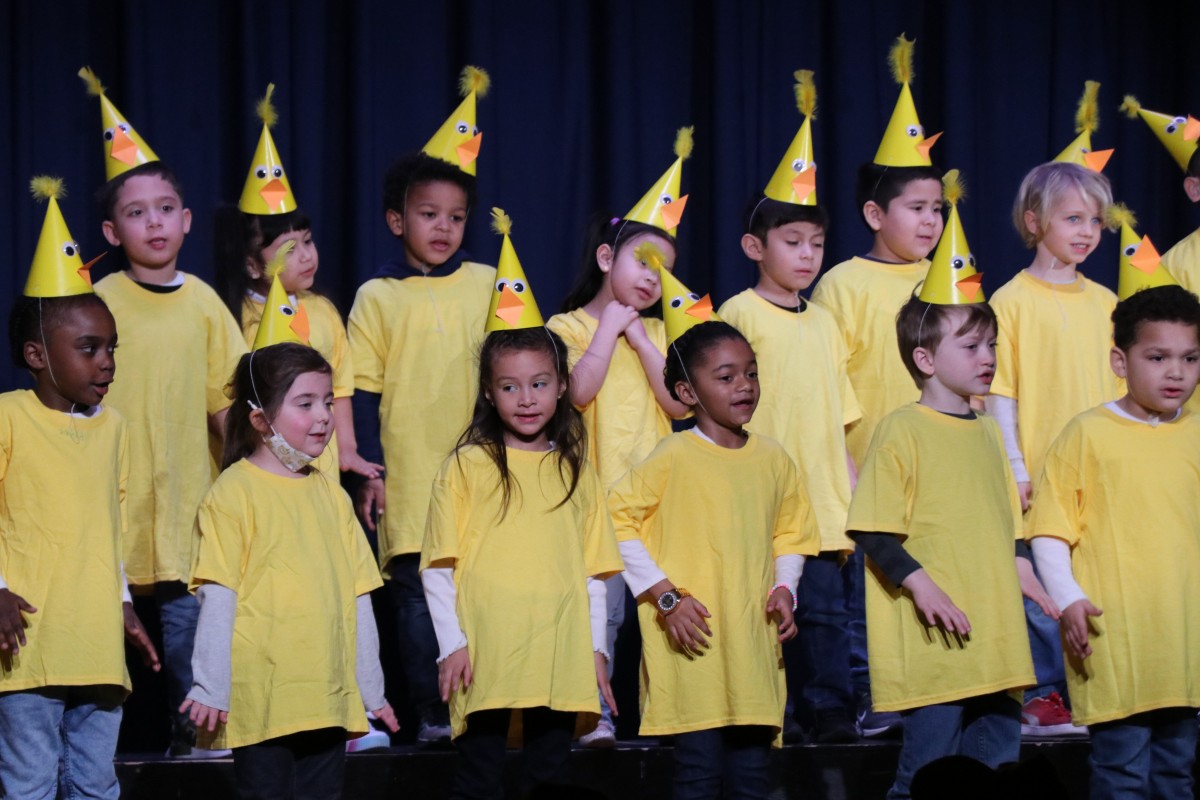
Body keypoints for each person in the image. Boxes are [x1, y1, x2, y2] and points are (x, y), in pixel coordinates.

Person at [846, 190, 1051, 799]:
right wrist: (923, 585)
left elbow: (1005, 523)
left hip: (995, 638)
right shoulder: (902, 429)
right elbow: (874, 528)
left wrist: (1028, 575)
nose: (987, 358)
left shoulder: (987, 430)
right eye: (971, 347)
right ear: (925, 358)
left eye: (991, 346)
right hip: (938, 641)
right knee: (927, 778)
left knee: (995, 774)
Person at [423, 217, 623, 796]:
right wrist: (453, 644)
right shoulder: (466, 466)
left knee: (548, 776)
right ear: (489, 392)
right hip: (487, 651)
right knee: (479, 776)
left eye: (539, 383)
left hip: (558, 652)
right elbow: (438, 567)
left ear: (561, 385)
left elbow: (594, 574)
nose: (526, 398)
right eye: (510, 387)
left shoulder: (576, 470)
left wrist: (596, 650)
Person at [81, 67, 248, 757]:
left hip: (185, 507)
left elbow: (227, 403)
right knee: (99, 639)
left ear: (186, 219)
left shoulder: (204, 302)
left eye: (165, 208)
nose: (153, 221)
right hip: (108, 505)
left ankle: (199, 747)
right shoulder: (97, 302)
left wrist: (250, 476)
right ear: (111, 229)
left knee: (188, 638)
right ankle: (89, 756)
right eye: (136, 212)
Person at [609, 293, 819, 799]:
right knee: (698, 776)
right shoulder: (673, 455)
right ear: (688, 391)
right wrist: (666, 597)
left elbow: (791, 531)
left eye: (751, 373)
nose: (744, 385)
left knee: (752, 779)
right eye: (726, 377)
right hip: (695, 649)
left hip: (751, 652)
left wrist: (785, 588)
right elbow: (614, 522)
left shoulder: (773, 458)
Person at [180, 338, 397, 799]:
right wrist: (210, 687)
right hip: (263, 699)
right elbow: (219, 595)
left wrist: (371, 687)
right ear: (260, 419)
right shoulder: (233, 494)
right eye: (306, 403)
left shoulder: (332, 495)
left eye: (328, 402)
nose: (324, 416)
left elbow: (358, 595)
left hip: (326, 695)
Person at [348, 66, 494, 745]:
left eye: (456, 217)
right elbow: (361, 389)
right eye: (429, 215)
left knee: (484, 589)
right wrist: (367, 469)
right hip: (410, 476)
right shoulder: (377, 296)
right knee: (414, 597)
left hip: (483, 469)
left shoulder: (489, 282)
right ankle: (432, 716)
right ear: (396, 220)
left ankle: (489, 706)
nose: (443, 227)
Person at [0, 179, 159, 799]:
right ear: (37, 354)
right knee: (31, 782)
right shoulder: (9, 417)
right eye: (88, 348)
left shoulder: (114, 428)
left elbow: (110, 524)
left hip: (94, 642)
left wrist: (121, 602)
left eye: (111, 348)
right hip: (30, 642)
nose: (106, 362)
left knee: (96, 782)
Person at [809, 34, 944, 737]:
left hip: (940, 462)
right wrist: (843, 458)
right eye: (916, 207)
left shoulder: (949, 278)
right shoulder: (843, 284)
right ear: (874, 215)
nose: (930, 221)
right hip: (870, 466)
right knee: (872, 588)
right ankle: (875, 698)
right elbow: (826, 376)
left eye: (937, 209)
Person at [719, 70, 860, 742]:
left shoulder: (826, 320)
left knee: (826, 615)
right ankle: (762, 710)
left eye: (816, 245)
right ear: (756, 247)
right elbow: (721, 403)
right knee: (761, 607)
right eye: (792, 243)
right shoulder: (738, 314)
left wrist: (852, 489)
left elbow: (838, 414)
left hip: (824, 502)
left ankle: (829, 711)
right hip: (762, 495)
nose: (807, 256)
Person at [546, 128, 693, 747]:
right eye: (643, 263)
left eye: (664, 272)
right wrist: (609, 328)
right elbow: (577, 393)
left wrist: (637, 335)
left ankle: (667, 717)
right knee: (599, 614)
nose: (653, 280)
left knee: (659, 615)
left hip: (656, 503)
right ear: (607, 259)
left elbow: (678, 403)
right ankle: (594, 712)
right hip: (598, 501)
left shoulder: (658, 335)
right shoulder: (566, 326)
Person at [1030, 285, 1200, 799]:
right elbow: (1050, 530)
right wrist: (1068, 599)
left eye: (1190, 358)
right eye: (1158, 357)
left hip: (1183, 646)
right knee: (1121, 773)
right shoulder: (1087, 434)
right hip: (1116, 640)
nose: (1176, 372)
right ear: (1120, 362)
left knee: (1176, 775)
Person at [985, 160, 1118, 736]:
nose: (1086, 231)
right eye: (1072, 218)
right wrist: (1015, 466)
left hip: (1098, 468)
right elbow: (1001, 393)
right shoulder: (1011, 300)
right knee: (1041, 584)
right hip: (1041, 471)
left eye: (1095, 221)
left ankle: (1095, 686)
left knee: (1091, 577)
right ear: (1034, 221)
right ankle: (1042, 692)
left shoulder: (1107, 302)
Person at [213, 83, 381, 484]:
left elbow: (341, 386)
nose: (307, 256)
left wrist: (348, 449)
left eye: (308, 241)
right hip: (262, 469)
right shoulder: (235, 318)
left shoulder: (323, 310)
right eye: (289, 249)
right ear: (252, 264)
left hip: (321, 469)